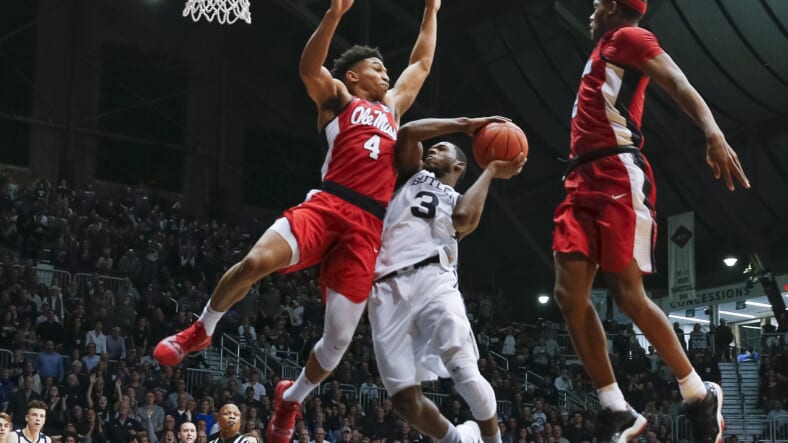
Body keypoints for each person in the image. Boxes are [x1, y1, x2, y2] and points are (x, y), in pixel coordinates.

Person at [154, 0, 440, 441]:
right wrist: (333, 15)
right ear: (353, 76)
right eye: (377, 68)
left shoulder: (394, 109)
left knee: (338, 342)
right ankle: (201, 329)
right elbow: (309, 68)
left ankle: (291, 398)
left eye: (387, 69)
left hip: (368, 226)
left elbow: (420, 63)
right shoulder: (339, 99)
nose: (387, 74)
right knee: (254, 262)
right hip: (328, 204)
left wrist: (431, 10)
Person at [551, 1, 749, 442]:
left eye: (598, 2)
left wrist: (712, 132)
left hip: (617, 172)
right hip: (580, 178)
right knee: (568, 296)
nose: (592, 9)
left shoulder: (629, 36)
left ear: (615, 6)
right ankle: (616, 408)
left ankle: (698, 393)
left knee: (628, 294)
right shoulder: (603, 47)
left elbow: (677, 81)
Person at [368, 116, 525, 443]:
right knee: (403, 400)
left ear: (458, 165)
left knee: (464, 372)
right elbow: (408, 133)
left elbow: (464, 220)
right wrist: (465, 124)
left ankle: (492, 439)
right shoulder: (411, 175)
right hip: (386, 288)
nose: (432, 151)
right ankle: (460, 440)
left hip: (434, 279)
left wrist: (490, 171)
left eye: (441, 149)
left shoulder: (460, 200)